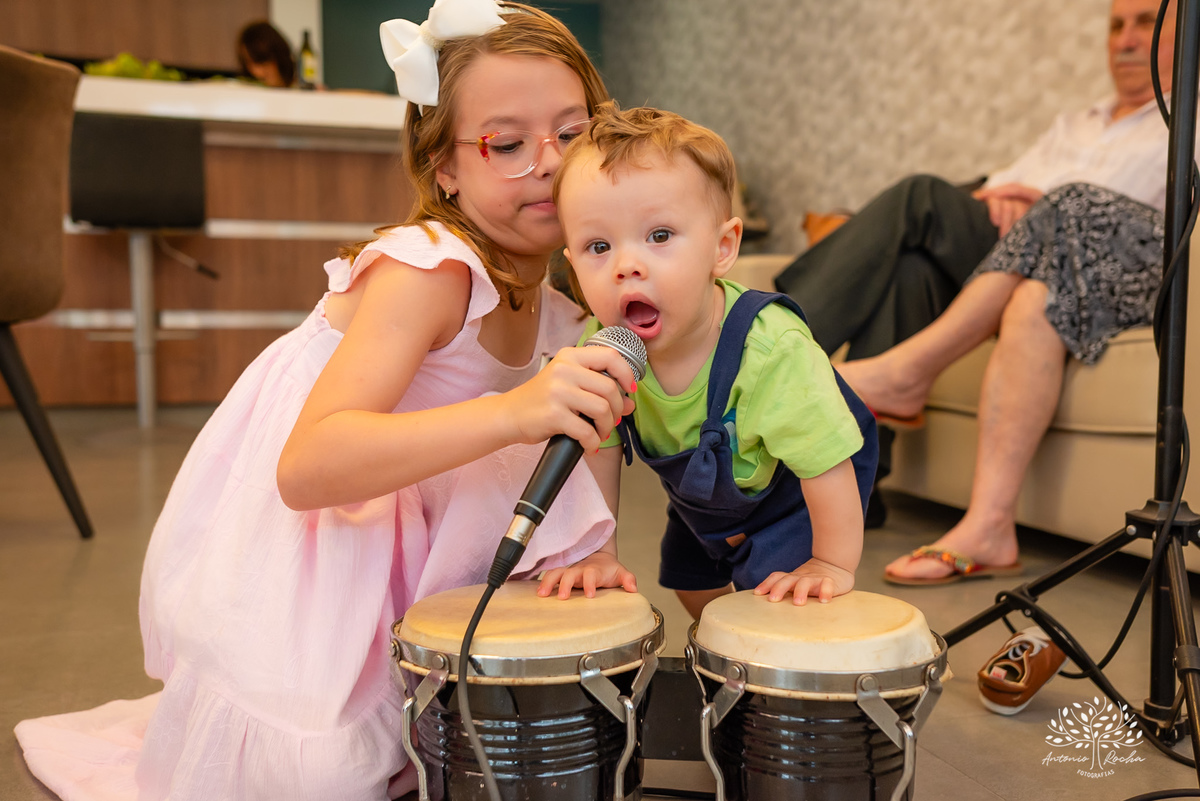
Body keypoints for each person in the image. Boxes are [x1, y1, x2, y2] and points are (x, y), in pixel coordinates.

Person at [14, 3, 640, 799]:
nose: (549, 163)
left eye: (574, 133)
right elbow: (308, 469)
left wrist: (595, 549)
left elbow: (597, 431)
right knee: (325, 770)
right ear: (445, 167)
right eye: (507, 145)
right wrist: (516, 413)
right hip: (333, 533)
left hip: (414, 522)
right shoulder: (429, 272)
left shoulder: (565, 304)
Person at [774, 0, 1178, 526]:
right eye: (1116, 25)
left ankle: (768, 349)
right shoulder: (1076, 122)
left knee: (922, 196)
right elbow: (992, 189)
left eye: (1146, 22)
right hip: (1010, 248)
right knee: (912, 267)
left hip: (1099, 264)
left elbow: (1137, 223)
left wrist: (1045, 202)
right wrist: (1003, 197)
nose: (1125, 40)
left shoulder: (1187, 121)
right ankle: (854, 487)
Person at [541, 103, 878, 619]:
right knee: (691, 586)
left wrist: (829, 563)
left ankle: (763, 670)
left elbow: (826, 462)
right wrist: (596, 552)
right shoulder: (604, 347)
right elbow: (599, 452)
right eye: (598, 246)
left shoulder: (770, 351)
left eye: (659, 236)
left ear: (722, 248)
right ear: (570, 265)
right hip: (703, 510)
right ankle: (723, 670)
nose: (627, 266)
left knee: (778, 608)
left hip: (792, 501)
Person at [237, 20, 296, 88]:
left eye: (261, 61)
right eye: (248, 62)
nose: (256, 71)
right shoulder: (245, 90)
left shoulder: (301, 92)